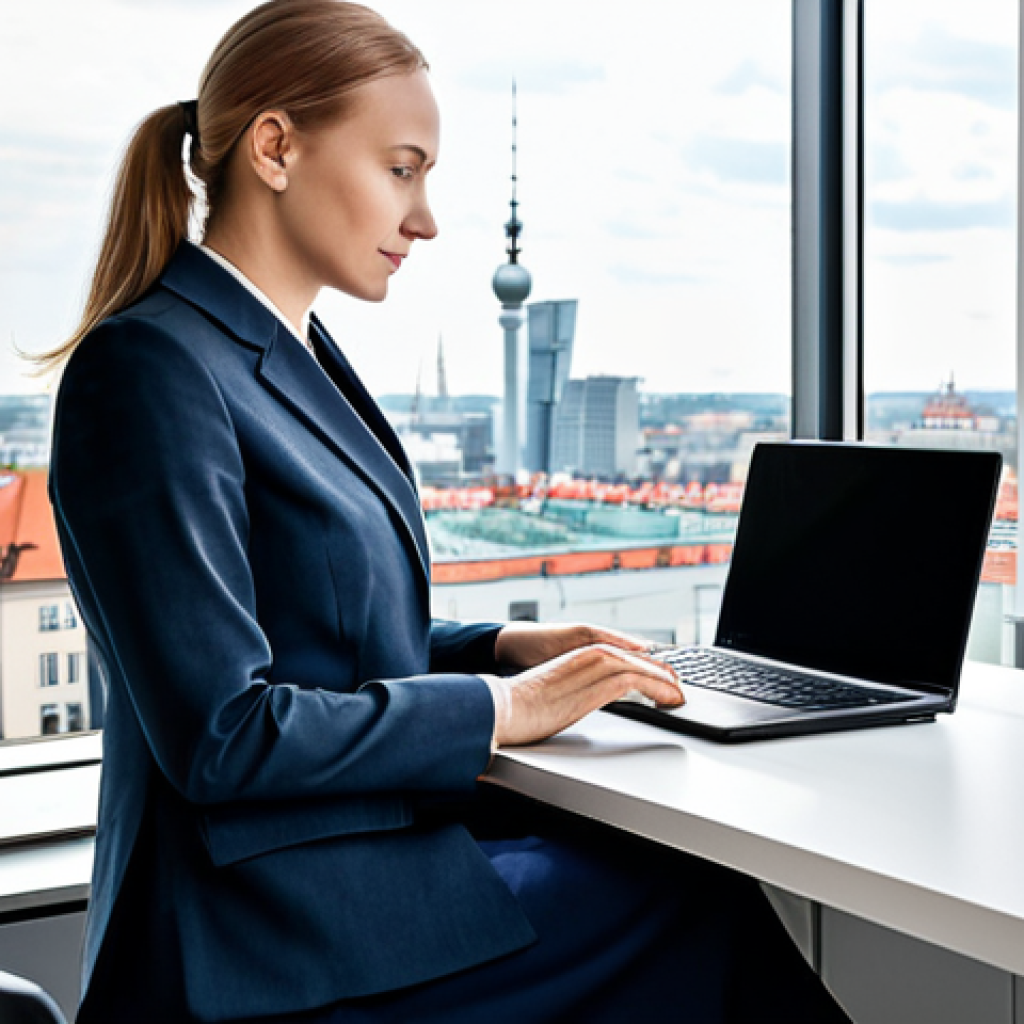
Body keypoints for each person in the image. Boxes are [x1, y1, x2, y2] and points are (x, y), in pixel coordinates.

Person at [44, 2, 851, 1021]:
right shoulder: (150, 369)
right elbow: (223, 733)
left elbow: (312, 634)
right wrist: (502, 709)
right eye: (400, 169)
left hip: (336, 873)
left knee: (680, 877)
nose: (424, 219)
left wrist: (505, 649)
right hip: (253, 938)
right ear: (275, 148)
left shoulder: (288, 352)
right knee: (700, 908)